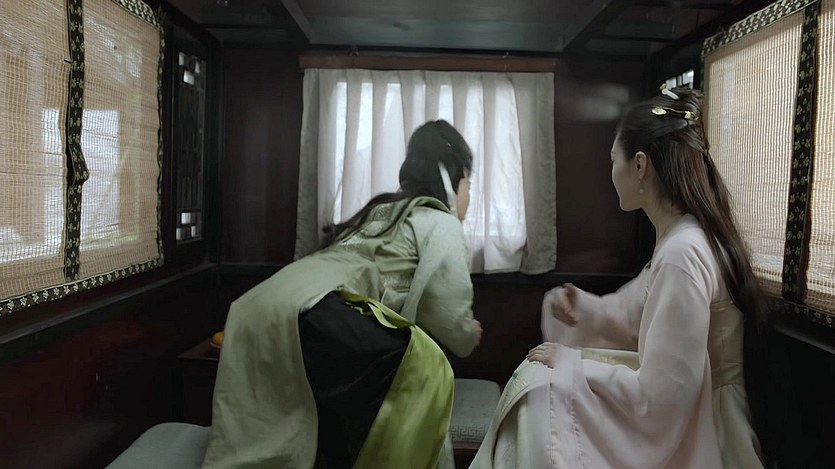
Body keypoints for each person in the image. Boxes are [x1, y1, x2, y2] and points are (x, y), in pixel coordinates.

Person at [471, 87, 771, 469]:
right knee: (539, 390)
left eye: (614, 159)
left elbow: (662, 397)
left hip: (709, 429)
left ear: (640, 165)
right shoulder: (683, 238)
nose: (611, 171)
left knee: (538, 411)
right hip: (698, 412)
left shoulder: (681, 252)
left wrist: (571, 363)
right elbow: (637, 312)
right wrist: (586, 311)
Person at [202, 120, 483, 469]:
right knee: (427, 367)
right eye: (468, 184)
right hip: (324, 308)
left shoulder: (381, 212)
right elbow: (446, 313)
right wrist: (467, 334)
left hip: (262, 303)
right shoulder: (440, 221)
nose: (469, 196)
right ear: (452, 180)